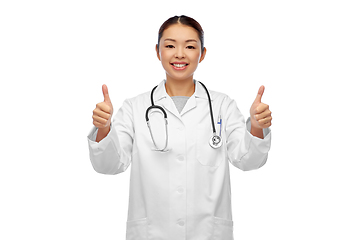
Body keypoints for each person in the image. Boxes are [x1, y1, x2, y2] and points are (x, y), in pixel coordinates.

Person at [87, 15, 272, 240]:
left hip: (208, 234)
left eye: (190, 46)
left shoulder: (222, 106)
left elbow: (249, 161)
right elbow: (108, 165)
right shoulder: (135, 108)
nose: (180, 54)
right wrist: (103, 127)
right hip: (152, 233)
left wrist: (256, 126)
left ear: (202, 54)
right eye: (170, 45)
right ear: (158, 52)